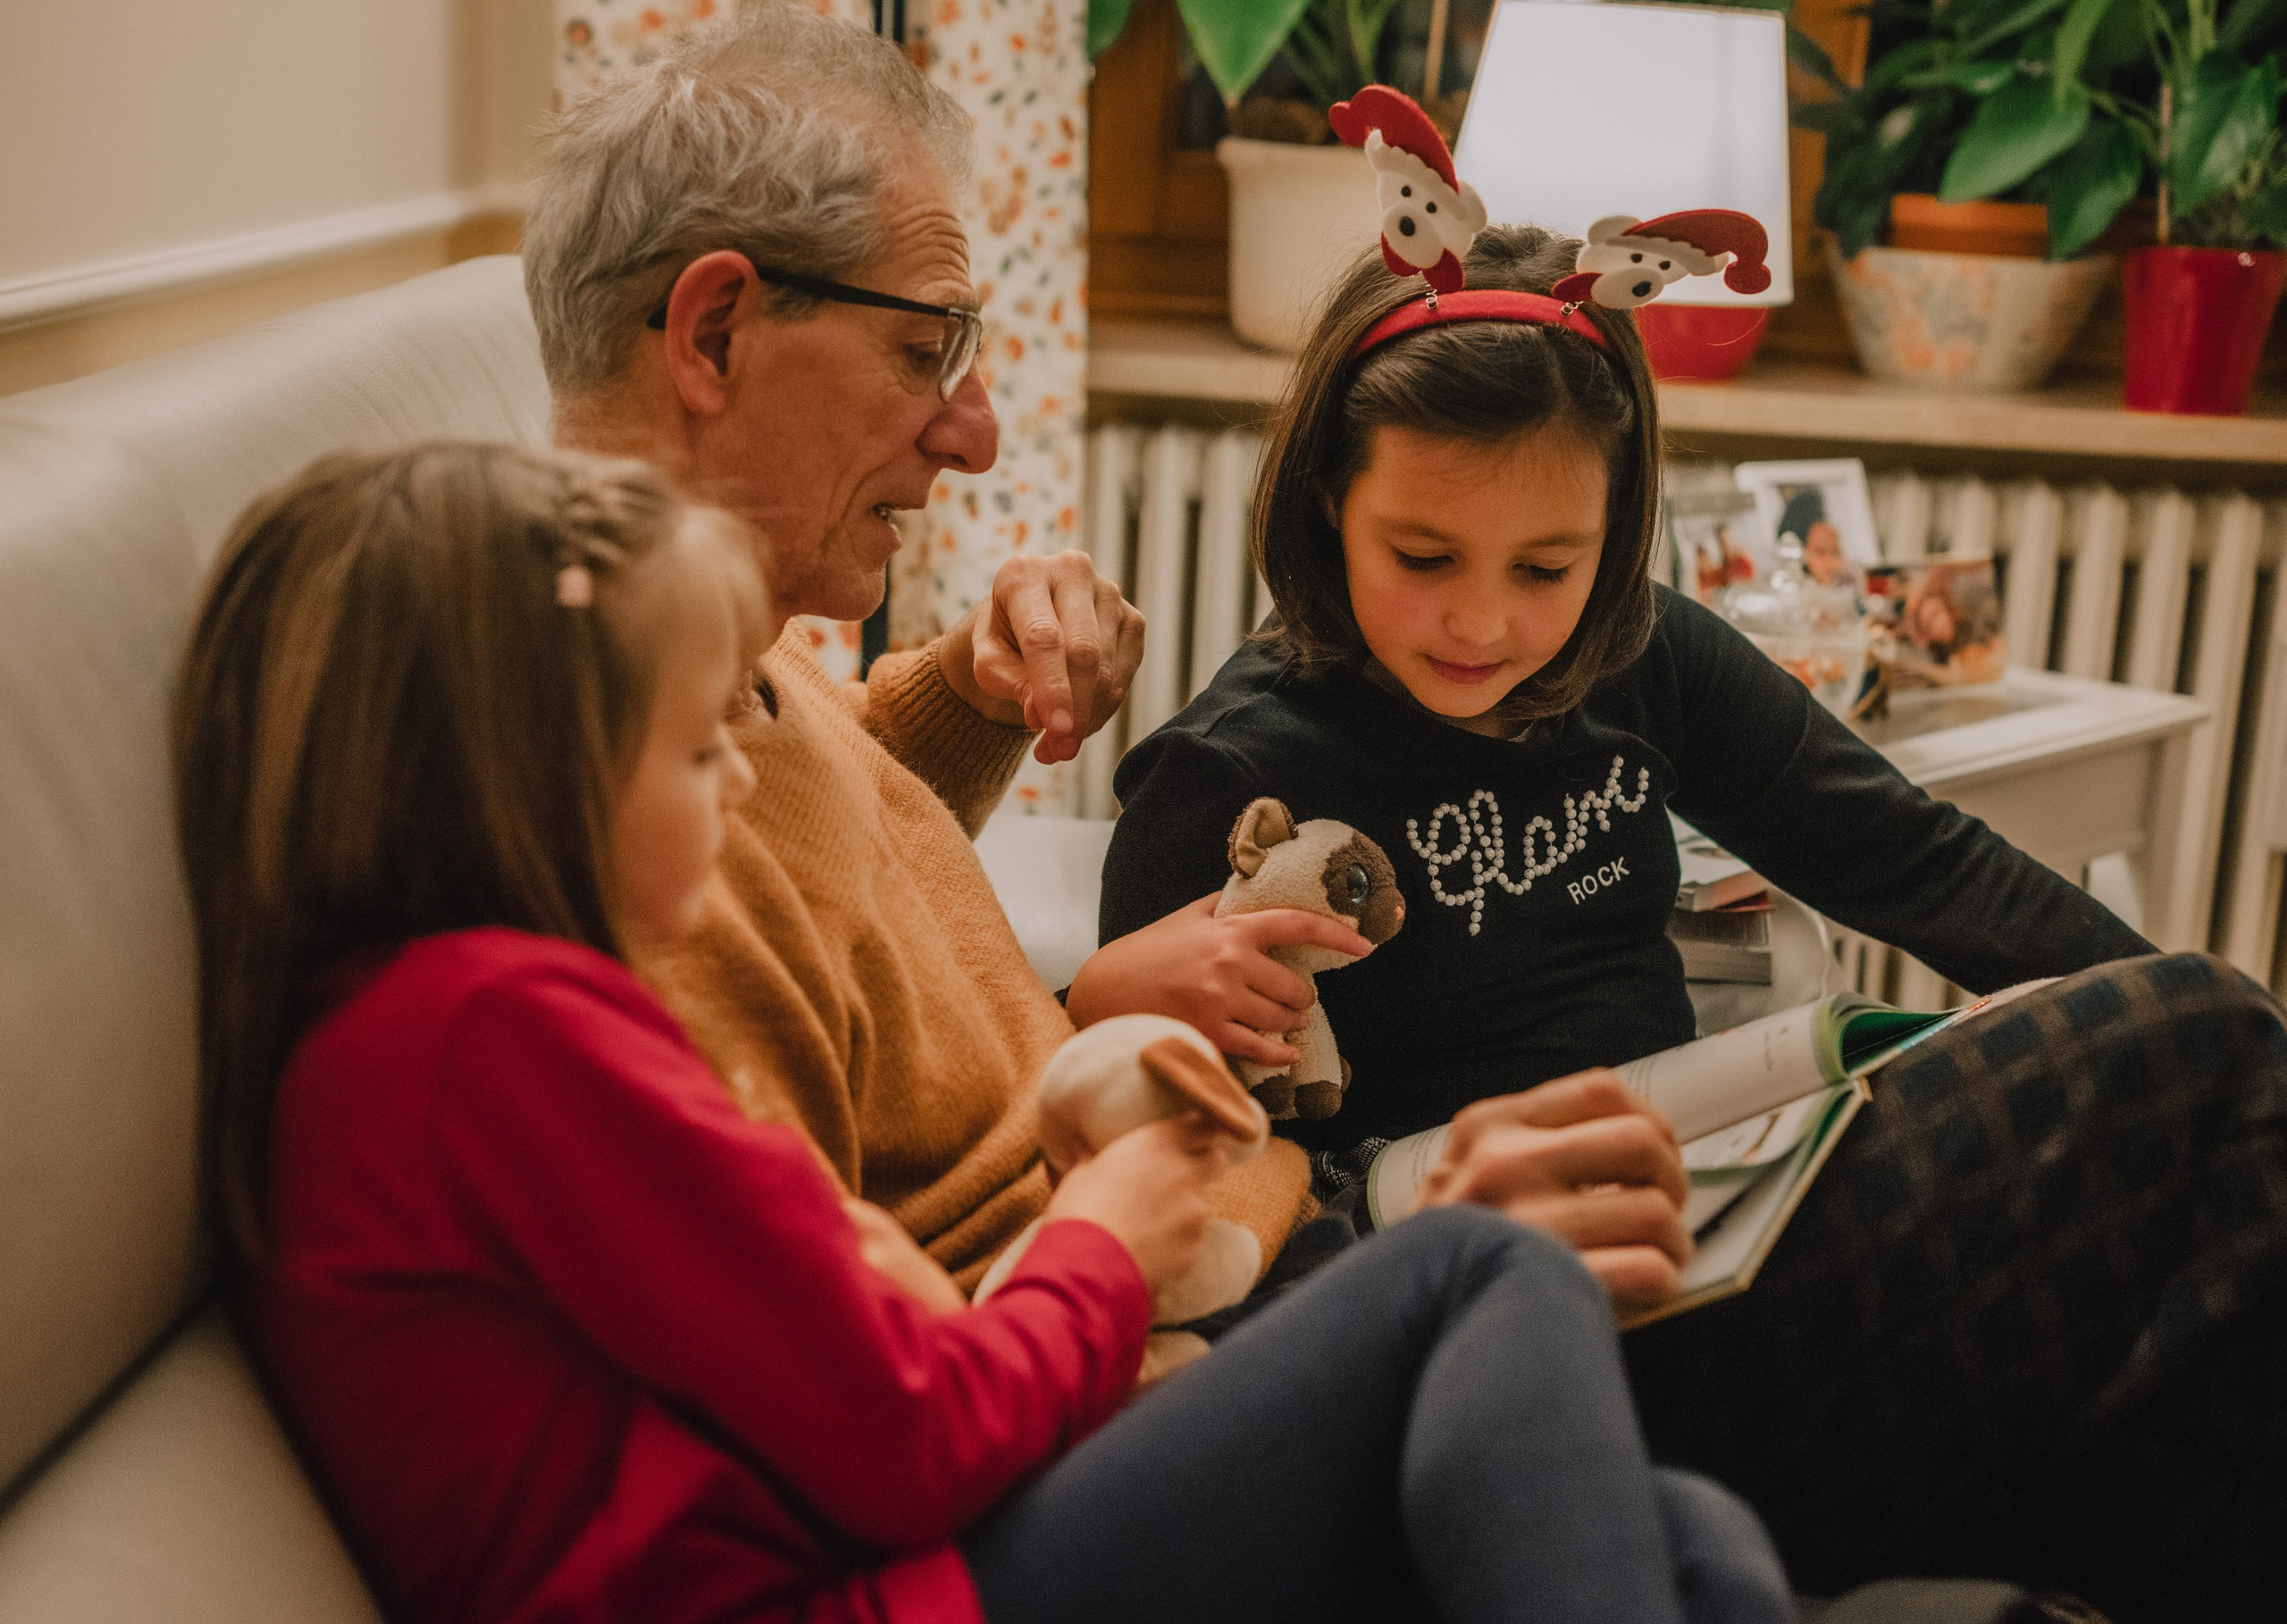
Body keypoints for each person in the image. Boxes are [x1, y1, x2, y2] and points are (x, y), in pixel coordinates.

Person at [178, 440, 1797, 1624]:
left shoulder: (404, 1037)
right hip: (897, 1590)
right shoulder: (491, 1036)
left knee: (1696, 1536)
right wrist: (1100, 1236)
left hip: (912, 1550)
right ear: (516, 767)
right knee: (1481, 1268)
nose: (740, 780)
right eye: (690, 748)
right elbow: (906, 1436)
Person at [1097, 223, 2287, 1622]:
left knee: (2216, 1107)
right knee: (2209, 1040)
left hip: (1723, 1220)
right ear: (1323, 508)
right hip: (1502, 1344)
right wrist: (1400, 1223)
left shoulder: (1645, 656)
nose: (1481, 620)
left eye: (1548, 567)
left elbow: (1925, 867)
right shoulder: (1229, 776)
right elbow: (1196, 1221)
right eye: (1422, 553)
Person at [519, 4, 1376, 1294]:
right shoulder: (622, 815)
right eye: (926, 352)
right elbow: (871, 1345)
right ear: (712, 336)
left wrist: (971, 691)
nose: (972, 436)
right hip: (1160, 1313)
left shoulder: (704, 665)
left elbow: (823, 811)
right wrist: (1094, 1011)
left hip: (1240, 1220)